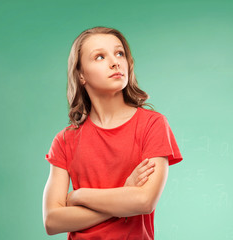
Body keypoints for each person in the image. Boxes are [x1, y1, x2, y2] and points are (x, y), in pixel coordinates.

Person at [42, 26, 183, 240]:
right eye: (99, 56)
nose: (115, 62)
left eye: (119, 53)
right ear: (81, 75)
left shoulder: (152, 124)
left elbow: (144, 202)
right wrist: (124, 195)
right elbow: (52, 221)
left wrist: (80, 196)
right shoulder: (64, 140)